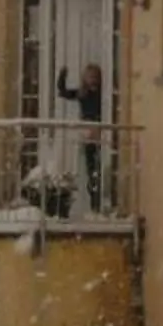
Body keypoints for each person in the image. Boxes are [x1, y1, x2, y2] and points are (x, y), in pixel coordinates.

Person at [54, 59, 106, 214]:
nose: (92, 80)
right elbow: (63, 92)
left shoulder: (103, 94)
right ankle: (93, 203)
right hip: (88, 132)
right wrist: (62, 75)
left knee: (98, 167)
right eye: (89, 76)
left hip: (101, 131)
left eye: (94, 76)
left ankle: (99, 201)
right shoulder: (84, 93)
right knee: (91, 168)